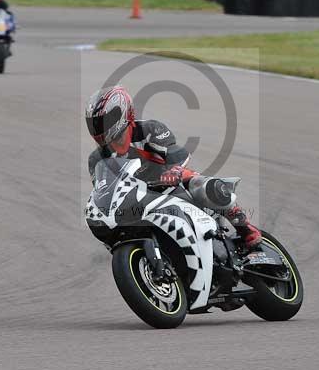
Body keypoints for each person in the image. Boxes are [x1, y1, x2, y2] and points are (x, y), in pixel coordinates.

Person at [85, 85, 262, 248]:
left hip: (168, 184)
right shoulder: (96, 159)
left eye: (106, 120)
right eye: (96, 123)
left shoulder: (149, 129)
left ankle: (244, 226)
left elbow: (177, 154)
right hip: (138, 200)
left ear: (124, 113)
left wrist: (173, 172)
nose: (100, 127)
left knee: (200, 183)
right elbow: (105, 193)